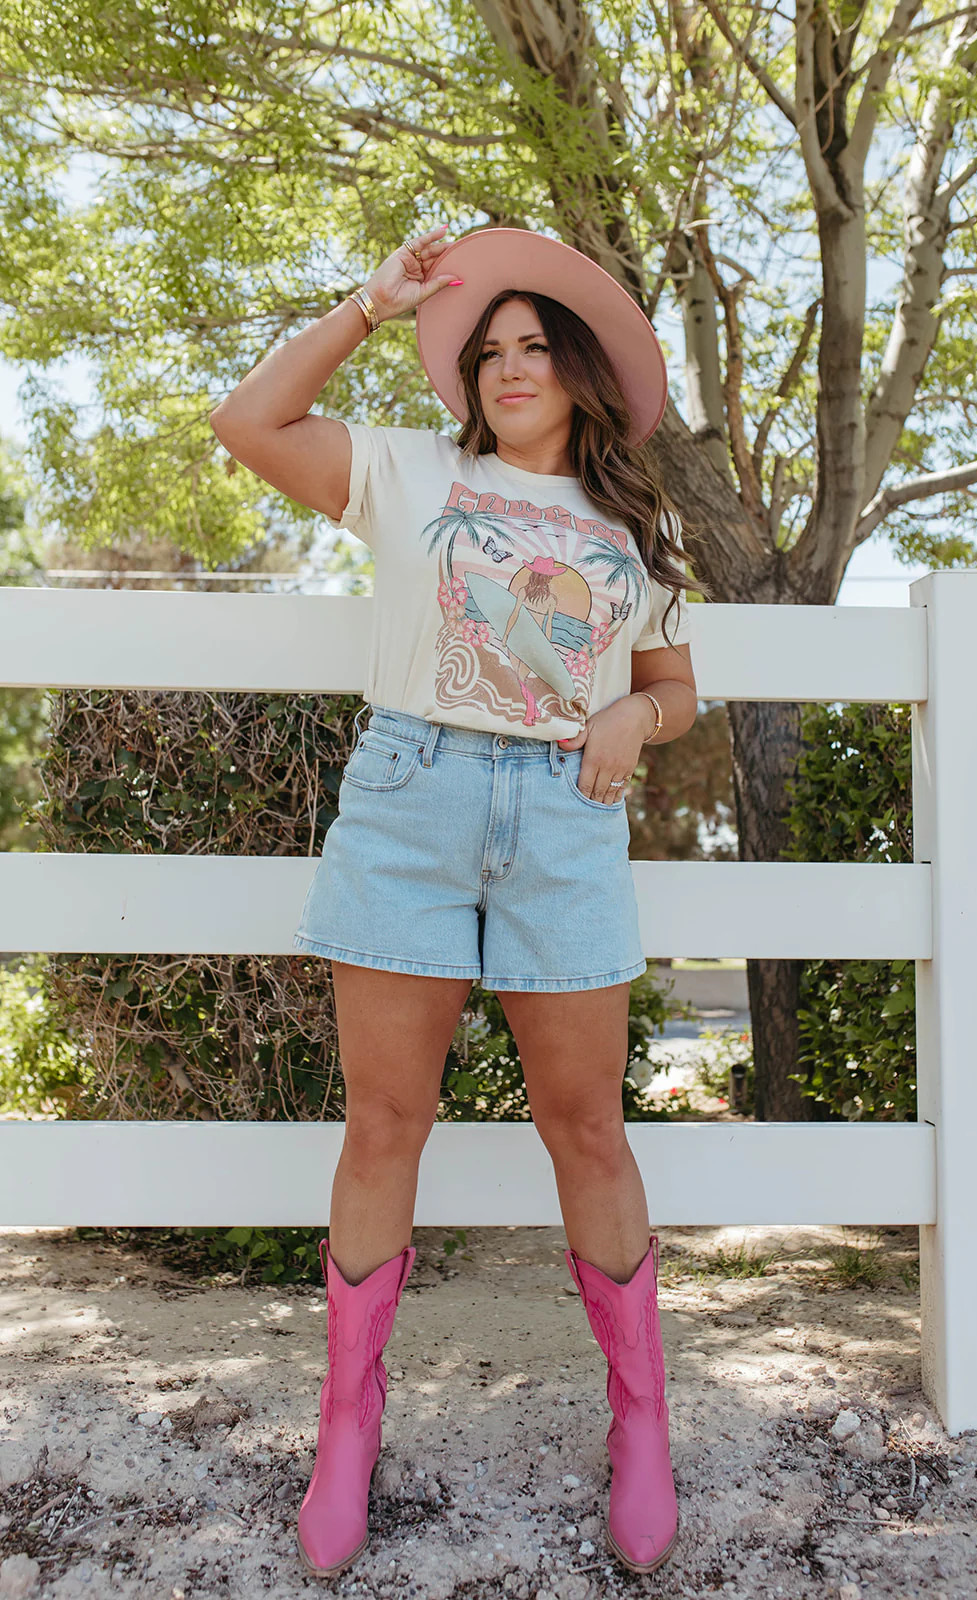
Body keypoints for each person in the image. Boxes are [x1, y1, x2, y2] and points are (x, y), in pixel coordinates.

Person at [208, 222, 700, 1581]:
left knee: (588, 1124)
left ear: (583, 368)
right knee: (385, 1119)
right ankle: (347, 1429)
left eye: (536, 346)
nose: (508, 367)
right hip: (411, 802)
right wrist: (370, 304)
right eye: (489, 352)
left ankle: (643, 1421)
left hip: (564, 822)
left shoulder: (632, 527)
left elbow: (674, 686)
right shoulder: (410, 468)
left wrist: (633, 725)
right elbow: (247, 420)